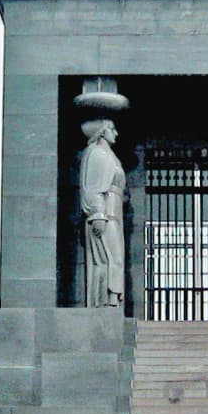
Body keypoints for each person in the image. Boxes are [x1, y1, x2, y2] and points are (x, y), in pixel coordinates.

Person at [79, 118, 126, 307]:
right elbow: (92, 187)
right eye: (112, 129)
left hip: (114, 213)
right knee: (107, 256)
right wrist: (98, 213)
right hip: (104, 214)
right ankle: (105, 300)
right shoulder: (95, 153)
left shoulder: (110, 156)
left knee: (115, 257)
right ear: (102, 131)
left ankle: (112, 299)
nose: (116, 133)